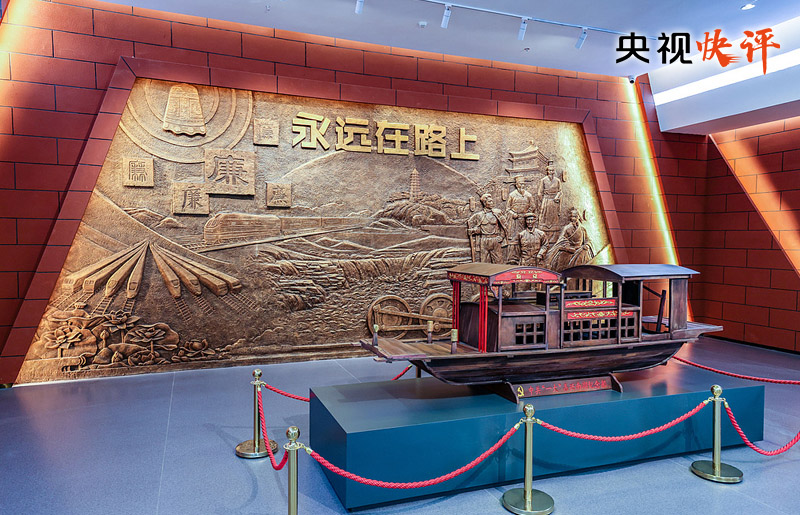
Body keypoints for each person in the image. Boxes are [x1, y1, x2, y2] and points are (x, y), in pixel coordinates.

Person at [467, 193, 508, 263]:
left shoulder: (497, 213)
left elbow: (504, 226)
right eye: (489, 201)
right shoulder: (479, 215)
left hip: (495, 240)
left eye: (492, 201)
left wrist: (501, 236)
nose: (492, 203)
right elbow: (480, 229)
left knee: (498, 261)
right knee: (484, 262)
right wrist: (473, 231)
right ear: (484, 203)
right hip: (484, 240)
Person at [506, 176, 535, 263]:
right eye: (520, 184)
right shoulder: (512, 195)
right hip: (515, 220)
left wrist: (527, 214)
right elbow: (508, 209)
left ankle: (525, 257)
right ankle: (513, 258)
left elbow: (533, 206)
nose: (522, 185)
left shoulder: (528, 195)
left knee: (525, 238)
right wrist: (513, 214)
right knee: (514, 239)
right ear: (516, 185)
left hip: (525, 220)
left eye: (523, 184)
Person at [538, 165, 562, 236]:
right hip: (546, 200)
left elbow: (560, 191)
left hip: (555, 201)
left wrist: (557, 197)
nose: (551, 172)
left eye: (552, 170)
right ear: (547, 171)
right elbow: (540, 193)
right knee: (545, 216)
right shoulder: (543, 180)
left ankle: (554, 233)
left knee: (554, 217)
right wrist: (543, 201)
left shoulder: (557, 180)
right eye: (550, 170)